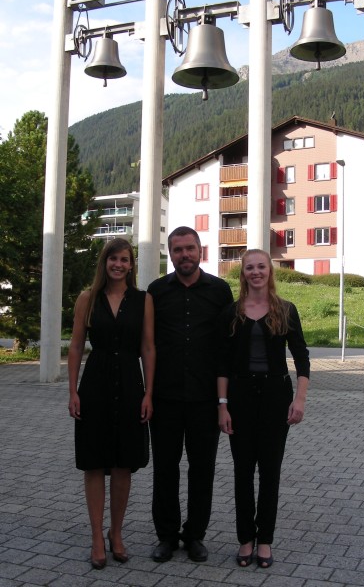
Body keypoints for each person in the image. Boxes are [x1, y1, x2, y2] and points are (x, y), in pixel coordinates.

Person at [217, 249, 310, 568]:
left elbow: (301, 357)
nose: (255, 272)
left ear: (270, 271)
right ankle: (245, 539)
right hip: (240, 397)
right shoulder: (231, 312)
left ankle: (265, 540)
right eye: (249, 268)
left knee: (270, 472)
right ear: (242, 273)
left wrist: (299, 399)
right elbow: (222, 364)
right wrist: (222, 406)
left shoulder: (286, 309)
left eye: (261, 267)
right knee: (242, 472)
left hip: (275, 396)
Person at [147, 226, 233, 563]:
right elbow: (147, 344)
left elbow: (227, 347)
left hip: (205, 398)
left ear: (200, 251)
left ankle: (195, 535)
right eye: (178, 249)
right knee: (165, 469)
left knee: (202, 470)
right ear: (170, 254)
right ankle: (166, 536)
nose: (184, 254)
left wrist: (226, 400)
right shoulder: (156, 291)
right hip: (165, 397)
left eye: (190, 248)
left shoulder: (219, 291)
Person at [68, 238, 155, 570]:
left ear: (131, 265)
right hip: (95, 385)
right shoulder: (87, 298)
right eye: (113, 259)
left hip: (131, 385)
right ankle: (95, 537)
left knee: (122, 464)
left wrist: (149, 393)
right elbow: (76, 346)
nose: (118, 264)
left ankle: (116, 533)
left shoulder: (143, 300)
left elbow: (148, 348)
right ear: (104, 262)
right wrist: (73, 391)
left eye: (124, 259)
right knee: (94, 462)